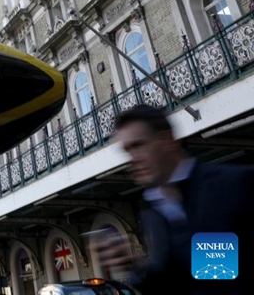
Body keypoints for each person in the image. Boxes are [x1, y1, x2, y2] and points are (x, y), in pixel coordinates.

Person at [96, 104, 253, 294]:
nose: (132, 159)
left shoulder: (229, 185)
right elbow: (182, 282)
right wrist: (133, 266)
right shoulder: (154, 212)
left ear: (167, 140)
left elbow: (218, 276)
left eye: (138, 145)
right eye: (127, 151)